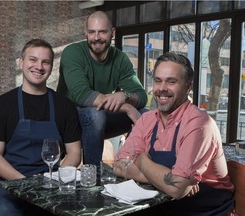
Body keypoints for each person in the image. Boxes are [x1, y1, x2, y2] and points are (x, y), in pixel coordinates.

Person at [114, 52, 234, 215]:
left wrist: (141, 160)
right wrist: (167, 181)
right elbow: (119, 165)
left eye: (171, 81)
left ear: (187, 87)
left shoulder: (199, 124)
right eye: (158, 81)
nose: (162, 88)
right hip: (168, 205)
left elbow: (177, 189)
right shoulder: (147, 120)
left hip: (206, 210)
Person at [0, 39, 82, 216]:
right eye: (33, 59)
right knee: (4, 211)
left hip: (51, 182)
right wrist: (27, 184)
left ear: (51, 67)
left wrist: (55, 179)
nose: (39, 66)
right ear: (21, 63)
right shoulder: (0, 106)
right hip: (11, 184)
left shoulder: (65, 106)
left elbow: (74, 152)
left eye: (45, 62)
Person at [57, 11, 147, 165]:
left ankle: (131, 166)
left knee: (146, 115)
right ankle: (92, 175)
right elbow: (82, 95)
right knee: (95, 114)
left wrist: (125, 95)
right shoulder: (72, 53)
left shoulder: (120, 58)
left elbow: (141, 96)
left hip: (98, 119)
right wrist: (126, 107)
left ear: (112, 33)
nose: (96, 37)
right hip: (69, 120)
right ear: (85, 32)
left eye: (102, 32)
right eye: (92, 32)